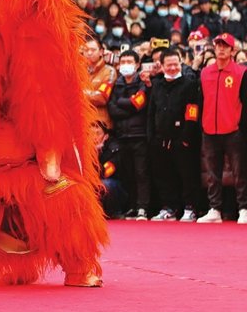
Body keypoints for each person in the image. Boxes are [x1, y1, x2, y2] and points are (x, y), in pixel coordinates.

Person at [197, 33, 247, 224]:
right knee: (213, 174)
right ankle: (214, 208)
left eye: (225, 46)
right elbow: (201, 101)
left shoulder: (241, 72)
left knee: (239, 172)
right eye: (218, 45)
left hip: (234, 130)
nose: (221, 48)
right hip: (209, 129)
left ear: (232, 50)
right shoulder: (205, 72)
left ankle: (243, 208)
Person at [147, 48, 202, 222]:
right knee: (164, 175)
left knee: (187, 174)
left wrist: (186, 137)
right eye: (168, 65)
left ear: (181, 63)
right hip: (159, 139)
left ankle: (189, 207)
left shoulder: (189, 83)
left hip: (182, 138)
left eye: (175, 64)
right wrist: (151, 137)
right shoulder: (157, 84)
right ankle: (168, 207)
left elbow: (192, 111)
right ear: (162, 66)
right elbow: (151, 112)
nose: (172, 68)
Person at [107, 51, 150, 220]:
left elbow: (138, 104)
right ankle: (131, 206)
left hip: (139, 135)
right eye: (123, 61)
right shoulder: (116, 84)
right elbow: (112, 110)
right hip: (121, 135)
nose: (126, 64)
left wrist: (122, 104)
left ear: (137, 64)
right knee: (128, 173)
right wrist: (128, 106)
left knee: (141, 173)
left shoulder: (143, 83)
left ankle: (142, 207)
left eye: (129, 61)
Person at [84, 36, 116, 129]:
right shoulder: (79, 71)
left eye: (93, 50)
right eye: (86, 50)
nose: (89, 53)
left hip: (100, 125)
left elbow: (102, 97)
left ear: (101, 52)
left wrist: (79, 93)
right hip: (82, 124)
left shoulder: (109, 71)